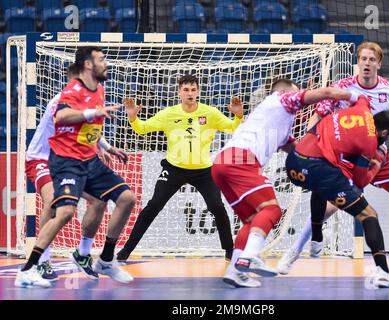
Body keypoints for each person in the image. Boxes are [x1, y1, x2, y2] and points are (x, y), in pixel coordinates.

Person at [279, 41, 389, 278]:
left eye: (371, 59)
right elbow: (320, 114)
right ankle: (293, 253)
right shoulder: (344, 87)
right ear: (358, 62)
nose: (367, 63)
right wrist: (309, 144)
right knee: (327, 210)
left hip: (380, 156)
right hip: (349, 158)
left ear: (379, 63)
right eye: (363, 59)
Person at [211, 78, 358, 288]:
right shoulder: (282, 99)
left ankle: (235, 270)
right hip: (241, 160)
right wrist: (353, 96)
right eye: (296, 93)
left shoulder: (272, 117)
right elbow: (325, 93)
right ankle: (250, 256)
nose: (298, 105)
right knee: (271, 210)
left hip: (221, 163)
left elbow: (295, 150)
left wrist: (318, 166)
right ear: (287, 92)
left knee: (253, 220)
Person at [15, 46, 136, 288]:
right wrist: (93, 116)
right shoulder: (63, 99)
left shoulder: (97, 90)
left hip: (80, 157)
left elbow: (88, 124)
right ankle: (41, 262)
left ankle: (84, 253)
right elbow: (70, 117)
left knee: (102, 201)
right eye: (101, 60)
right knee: (55, 203)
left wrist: (106, 147)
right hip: (43, 158)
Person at [285, 95, 389, 288]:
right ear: (384, 132)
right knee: (369, 215)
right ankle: (383, 272)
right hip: (318, 168)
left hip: (294, 162)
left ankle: (316, 237)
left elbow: (359, 97)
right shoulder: (369, 143)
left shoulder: (362, 107)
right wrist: (377, 162)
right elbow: (360, 182)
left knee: (320, 186)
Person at [116, 74, 242, 264]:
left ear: (198, 91)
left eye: (193, 90)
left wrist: (238, 115)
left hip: (204, 170)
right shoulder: (169, 114)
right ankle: (126, 250)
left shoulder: (211, 113)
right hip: (174, 168)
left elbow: (233, 128)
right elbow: (142, 128)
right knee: (153, 206)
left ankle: (229, 250)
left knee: (217, 206)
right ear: (179, 92)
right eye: (186, 90)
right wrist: (133, 117)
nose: (190, 93)